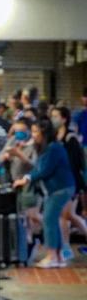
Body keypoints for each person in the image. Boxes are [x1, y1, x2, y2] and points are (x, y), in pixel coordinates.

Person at [14, 117, 77, 268]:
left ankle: (52, 256)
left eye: (36, 131)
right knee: (52, 221)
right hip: (58, 189)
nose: (33, 134)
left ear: (44, 132)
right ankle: (59, 257)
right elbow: (39, 167)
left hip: (60, 189)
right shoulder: (47, 148)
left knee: (49, 220)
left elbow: (44, 170)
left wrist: (26, 179)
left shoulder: (53, 148)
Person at [52, 106, 87, 260]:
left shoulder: (70, 138)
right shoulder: (54, 137)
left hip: (71, 182)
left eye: (56, 116)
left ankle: (66, 249)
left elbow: (75, 163)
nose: (53, 119)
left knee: (67, 215)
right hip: (60, 182)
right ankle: (66, 249)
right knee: (66, 215)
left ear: (64, 118)